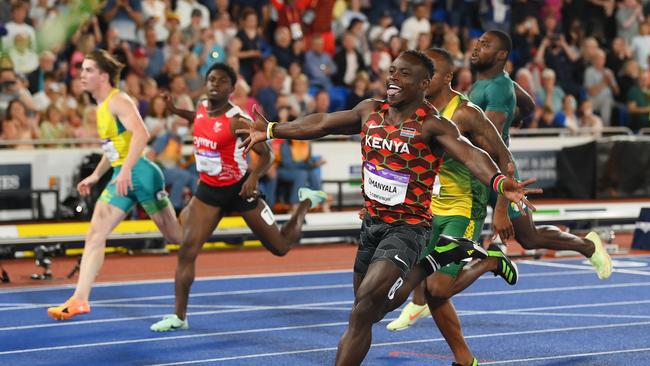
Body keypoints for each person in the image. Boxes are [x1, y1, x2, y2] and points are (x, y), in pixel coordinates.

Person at [238, 50, 538, 366]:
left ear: (424, 84)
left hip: (408, 228)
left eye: (404, 73)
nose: (393, 77)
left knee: (363, 310)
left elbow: (471, 155)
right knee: (366, 312)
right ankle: (432, 262)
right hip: (372, 226)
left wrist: (500, 183)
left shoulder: (433, 126)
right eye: (392, 70)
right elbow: (323, 123)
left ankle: (429, 261)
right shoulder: (370, 111)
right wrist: (272, 129)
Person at [417, 30, 610, 366]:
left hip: (498, 178)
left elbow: (494, 150)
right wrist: (518, 117)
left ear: (503, 55)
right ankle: (443, 305)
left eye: (486, 45)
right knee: (527, 238)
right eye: (476, 44)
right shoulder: (484, 85)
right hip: (476, 177)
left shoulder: (496, 89)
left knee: (528, 236)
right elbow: (529, 103)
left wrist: (501, 209)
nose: (477, 48)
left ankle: (587, 245)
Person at [149, 63, 328, 332]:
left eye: (221, 81)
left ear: (231, 89)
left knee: (280, 247)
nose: (214, 84)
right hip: (209, 191)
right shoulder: (200, 106)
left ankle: (305, 202)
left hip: (239, 188)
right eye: (211, 79)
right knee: (186, 251)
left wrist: (254, 178)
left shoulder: (238, 120)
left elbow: (267, 154)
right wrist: (175, 111)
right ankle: (179, 316)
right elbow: (198, 120)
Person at [386, 48, 520, 339]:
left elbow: (502, 155)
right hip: (429, 205)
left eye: (428, 74)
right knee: (414, 271)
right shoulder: (418, 111)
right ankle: (432, 321)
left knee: (439, 288)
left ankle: (491, 261)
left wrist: (501, 210)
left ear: (446, 78)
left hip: (464, 205)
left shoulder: (466, 113)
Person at [47, 49, 183, 320]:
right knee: (95, 234)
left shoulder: (118, 100)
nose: (81, 75)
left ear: (104, 76)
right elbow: (113, 149)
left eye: (88, 70)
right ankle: (80, 299)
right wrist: (97, 175)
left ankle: (206, 215)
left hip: (141, 174)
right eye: (82, 69)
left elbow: (142, 134)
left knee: (177, 238)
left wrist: (127, 170)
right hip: (123, 174)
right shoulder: (99, 108)